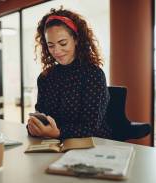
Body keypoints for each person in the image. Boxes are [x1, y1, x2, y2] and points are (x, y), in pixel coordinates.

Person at [27, 7, 111, 140]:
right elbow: (41, 115)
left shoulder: (93, 75)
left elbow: (91, 126)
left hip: (93, 144)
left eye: (63, 43)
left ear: (76, 40)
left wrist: (58, 133)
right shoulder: (45, 77)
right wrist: (35, 126)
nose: (57, 51)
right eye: (51, 45)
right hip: (53, 143)